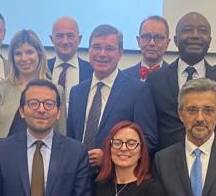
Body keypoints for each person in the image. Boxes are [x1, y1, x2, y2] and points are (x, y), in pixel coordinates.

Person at [147, 12, 216, 150]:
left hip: (213, 160)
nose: (195, 35)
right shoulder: (155, 80)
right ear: (175, 40)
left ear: (210, 41)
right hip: (165, 160)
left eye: (202, 31)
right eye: (187, 30)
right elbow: (150, 128)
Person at [67, 25, 158, 165]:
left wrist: (110, 157)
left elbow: (148, 140)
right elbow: (70, 138)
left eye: (109, 49)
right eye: (96, 47)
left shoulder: (138, 91)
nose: (102, 54)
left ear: (120, 53)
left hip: (116, 175)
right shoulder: (76, 92)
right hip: (79, 174)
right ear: (89, 50)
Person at [0, 29, 54, 157]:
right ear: (12, 57)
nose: (24, 58)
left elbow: (61, 137)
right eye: (18, 54)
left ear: (39, 54)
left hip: (42, 161)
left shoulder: (55, 90)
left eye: (29, 52)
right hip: (3, 159)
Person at [48, 16, 93, 97]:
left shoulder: (92, 71)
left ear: (79, 39)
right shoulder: (43, 69)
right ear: (52, 39)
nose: (65, 41)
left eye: (70, 36)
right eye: (59, 36)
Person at [125, 15, 171, 81]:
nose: (152, 43)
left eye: (158, 37)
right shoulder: (124, 77)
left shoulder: (175, 77)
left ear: (167, 43)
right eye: (146, 37)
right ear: (138, 41)